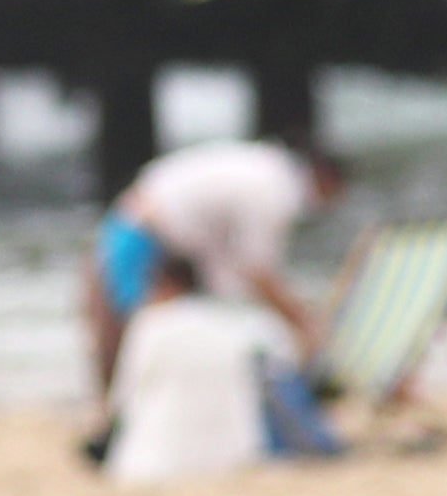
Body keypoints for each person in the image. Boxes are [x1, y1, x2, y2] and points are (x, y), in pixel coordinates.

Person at [81, 130, 336, 392]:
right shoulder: (272, 191)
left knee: (130, 339)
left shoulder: (262, 167)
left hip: (142, 220)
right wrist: (303, 324)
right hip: (145, 235)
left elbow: (238, 269)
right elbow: (258, 272)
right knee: (137, 339)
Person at [97, 247, 286, 482]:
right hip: (236, 456)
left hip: (157, 462)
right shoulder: (234, 322)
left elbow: (122, 397)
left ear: (165, 283)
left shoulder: (150, 324)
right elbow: (281, 364)